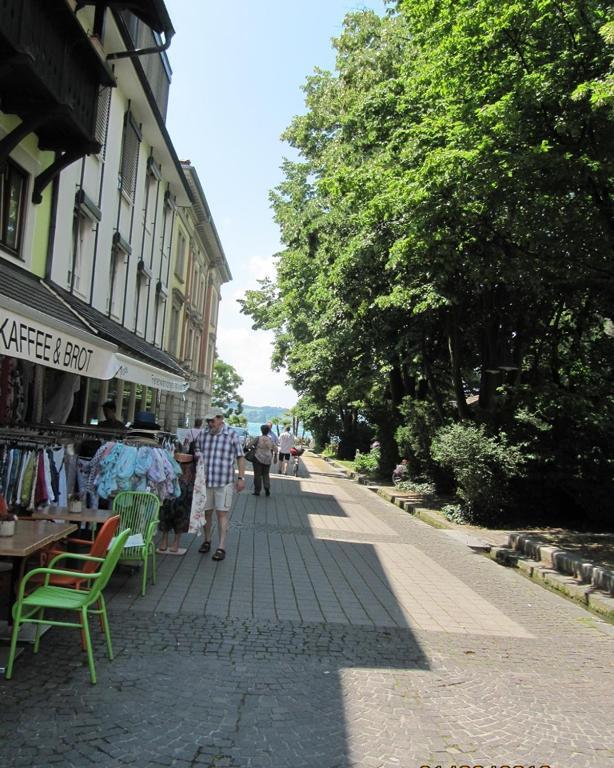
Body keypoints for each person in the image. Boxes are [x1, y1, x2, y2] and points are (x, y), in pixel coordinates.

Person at [189, 410, 245, 562]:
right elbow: (197, 450)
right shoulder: (203, 434)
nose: (209, 424)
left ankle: (221, 547)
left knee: (222, 514)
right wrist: (198, 456)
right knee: (206, 513)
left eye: (212, 420)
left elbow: (240, 457)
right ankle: (207, 540)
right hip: (205, 481)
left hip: (224, 481)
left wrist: (241, 478)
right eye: (208, 421)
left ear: (221, 419)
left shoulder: (231, 434)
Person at [252, 424, 275, 496]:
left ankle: (257, 491)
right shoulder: (270, 439)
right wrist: (275, 457)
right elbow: (275, 448)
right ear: (268, 431)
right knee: (266, 474)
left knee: (257, 475)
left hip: (258, 458)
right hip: (268, 459)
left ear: (261, 430)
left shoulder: (258, 438)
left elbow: (249, 445)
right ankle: (267, 488)